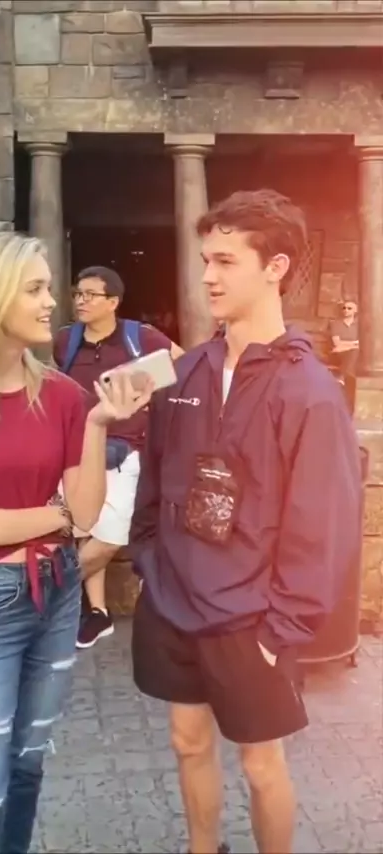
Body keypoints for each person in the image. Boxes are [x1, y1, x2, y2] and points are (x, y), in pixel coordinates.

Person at [130, 189, 362, 854]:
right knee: (186, 741)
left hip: (253, 619)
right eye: (206, 259)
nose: (207, 276)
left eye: (226, 261)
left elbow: (324, 524)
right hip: (173, 602)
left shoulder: (309, 391)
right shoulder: (183, 373)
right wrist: (150, 562)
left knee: (262, 765)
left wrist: (282, 627)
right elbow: (155, 479)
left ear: (275, 268)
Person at [0, 232, 153, 854]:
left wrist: (98, 425)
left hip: (59, 591)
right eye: (36, 289)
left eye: (51, 289)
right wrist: (57, 515)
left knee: (27, 766)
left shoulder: (66, 396)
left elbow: (87, 513)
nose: (53, 302)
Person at [54, 265, 183, 649]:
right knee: (81, 531)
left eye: (90, 295)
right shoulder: (65, 341)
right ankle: (97, 613)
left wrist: (150, 392)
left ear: (113, 302)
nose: (81, 301)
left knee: (111, 537)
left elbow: (184, 363)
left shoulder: (140, 337)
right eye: (77, 294)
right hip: (78, 449)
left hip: (127, 452)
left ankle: (45, 594)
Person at [329, 298, 359, 413]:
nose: (346, 310)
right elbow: (337, 343)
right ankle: (345, 375)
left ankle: (343, 376)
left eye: (349, 308)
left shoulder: (358, 325)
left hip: (352, 355)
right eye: (344, 308)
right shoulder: (336, 324)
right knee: (353, 352)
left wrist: (346, 345)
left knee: (353, 353)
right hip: (338, 354)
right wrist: (354, 344)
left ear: (355, 311)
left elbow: (363, 342)